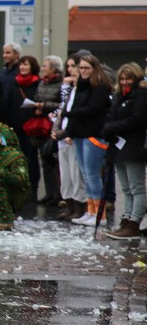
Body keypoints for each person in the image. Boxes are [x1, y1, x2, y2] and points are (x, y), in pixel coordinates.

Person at [64, 54, 114, 225]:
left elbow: (92, 109)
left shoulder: (99, 87)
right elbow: (77, 107)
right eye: (82, 68)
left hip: (94, 135)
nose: (83, 71)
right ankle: (91, 211)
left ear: (94, 69)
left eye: (87, 68)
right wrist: (69, 130)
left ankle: (100, 215)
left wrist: (68, 114)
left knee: (93, 175)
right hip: (80, 134)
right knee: (86, 175)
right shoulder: (82, 86)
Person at [100, 63, 147, 238]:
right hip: (118, 146)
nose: (125, 82)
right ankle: (126, 219)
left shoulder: (141, 96)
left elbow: (136, 119)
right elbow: (111, 116)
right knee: (126, 188)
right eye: (123, 78)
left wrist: (112, 127)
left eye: (129, 78)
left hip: (134, 146)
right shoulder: (119, 96)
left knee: (136, 187)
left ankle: (134, 222)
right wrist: (108, 128)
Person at [54, 59, 87, 221]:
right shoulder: (70, 89)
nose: (71, 70)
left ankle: (79, 206)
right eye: (69, 67)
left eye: (74, 66)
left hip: (73, 136)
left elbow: (77, 113)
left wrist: (69, 133)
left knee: (76, 174)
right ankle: (69, 205)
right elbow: (62, 111)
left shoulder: (83, 90)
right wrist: (56, 130)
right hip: (63, 135)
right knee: (65, 174)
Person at [31, 56, 64, 205]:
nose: (42, 68)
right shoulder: (42, 83)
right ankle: (49, 193)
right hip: (42, 124)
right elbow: (37, 98)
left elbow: (61, 104)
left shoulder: (62, 84)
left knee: (55, 160)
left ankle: (59, 194)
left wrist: (44, 105)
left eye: (45, 66)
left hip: (54, 124)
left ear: (54, 69)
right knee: (44, 159)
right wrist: (37, 107)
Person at [13, 55, 43, 202]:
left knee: (31, 159)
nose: (23, 68)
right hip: (17, 125)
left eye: (26, 65)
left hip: (31, 127)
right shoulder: (15, 83)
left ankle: (33, 190)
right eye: (21, 65)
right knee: (18, 160)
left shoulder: (38, 83)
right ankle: (20, 189)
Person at [0, 42, 23, 126]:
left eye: (8, 53)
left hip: (16, 116)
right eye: (4, 53)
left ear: (16, 54)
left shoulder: (21, 72)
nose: (4, 55)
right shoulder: (3, 73)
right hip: (3, 114)